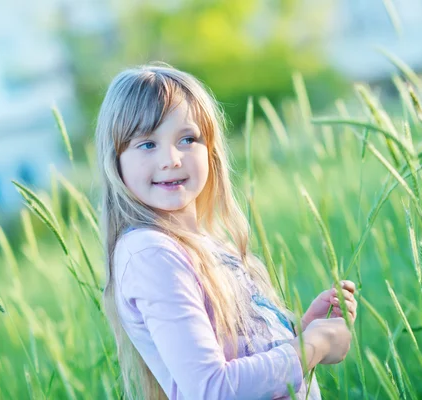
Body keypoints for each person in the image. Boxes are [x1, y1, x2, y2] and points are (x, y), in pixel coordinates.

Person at [95, 62, 358, 400]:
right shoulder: (151, 254)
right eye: (147, 144)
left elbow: (244, 356)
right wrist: (313, 346)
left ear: (211, 151)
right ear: (115, 160)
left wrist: (305, 329)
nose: (172, 159)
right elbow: (212, 389)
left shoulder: (206, 244)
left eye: (188, 139)